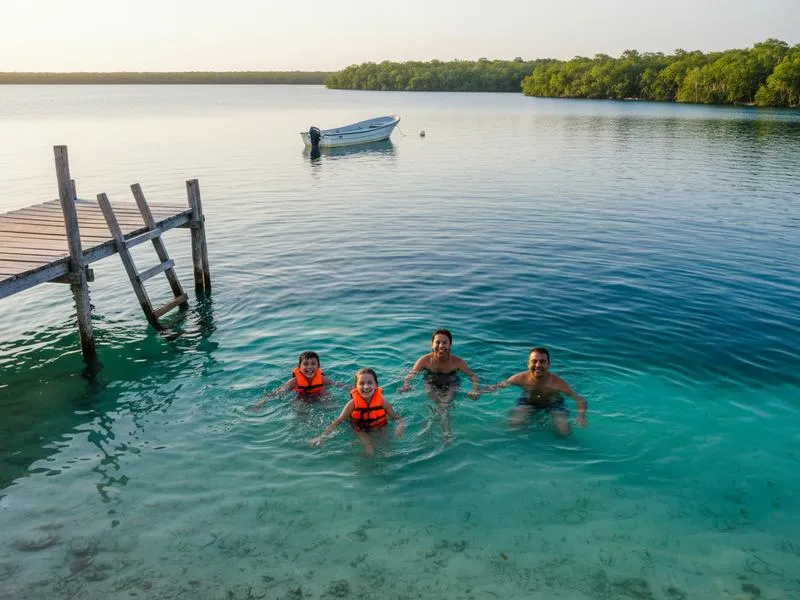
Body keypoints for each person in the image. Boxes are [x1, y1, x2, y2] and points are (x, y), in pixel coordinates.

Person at [481, 347, 588, 435]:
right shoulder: (520, 378)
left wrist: (581, 416)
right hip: (528, 401)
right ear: (528, 364)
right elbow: (498, 386)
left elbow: (579, 400)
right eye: (534, 361)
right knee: (514, 425)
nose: (538, 365)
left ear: (548, 364)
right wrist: (478, 392)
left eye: (542, 362)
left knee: (564, 431)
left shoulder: (557, 383)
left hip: (553, 403)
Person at [398, 329, 480, 441]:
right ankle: (446, 433)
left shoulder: (457, 362)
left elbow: (473, 376)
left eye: (445, 342)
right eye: (437, 342)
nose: (441, 345)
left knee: (444, 404)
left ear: (450, 345)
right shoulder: (425, 360)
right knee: (437, 404)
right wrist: (406, 385)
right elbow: (410, 375)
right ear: (432, 345)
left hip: (451, 383)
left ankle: (440, 430)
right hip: (431, 382)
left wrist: (474, 389)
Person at [309, 368, 404, 456]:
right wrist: (322, 436)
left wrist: (399, 426)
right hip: (359, 427)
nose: (366, 387)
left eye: (370, 383)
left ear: (376, 385)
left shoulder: (383, 402)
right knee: (369, 448)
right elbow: (338, 421)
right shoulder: (352, 404)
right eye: (361, 383)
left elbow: (396, 417)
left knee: (386, 447)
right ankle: (366, 468)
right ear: (355, 387)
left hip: (380, 425)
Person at [249, 351, 342, 411]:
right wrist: (260, 404)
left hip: (319, 394)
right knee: (300, 409)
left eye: (313, 364)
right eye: (305, 364)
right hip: (301, 397)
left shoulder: (322, 379)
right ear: (299, 367)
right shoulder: (294, 381)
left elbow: (338, 385)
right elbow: (276, 392)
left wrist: (353, 388)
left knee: (333, 406)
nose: (309, 367)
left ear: (318, 367)